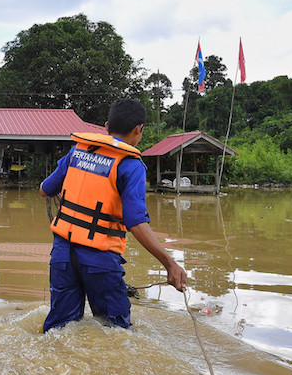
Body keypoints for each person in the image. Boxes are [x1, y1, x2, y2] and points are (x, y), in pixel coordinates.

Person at [40, 98, 187, 332]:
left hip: (62, 254)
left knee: (60, 329)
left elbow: (45, 189)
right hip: (100, 259)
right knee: (116, 331)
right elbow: (136, 222)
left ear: (106, 126)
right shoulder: (131, 165)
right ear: (139, 130)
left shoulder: (77, 151)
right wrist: (170, 264)